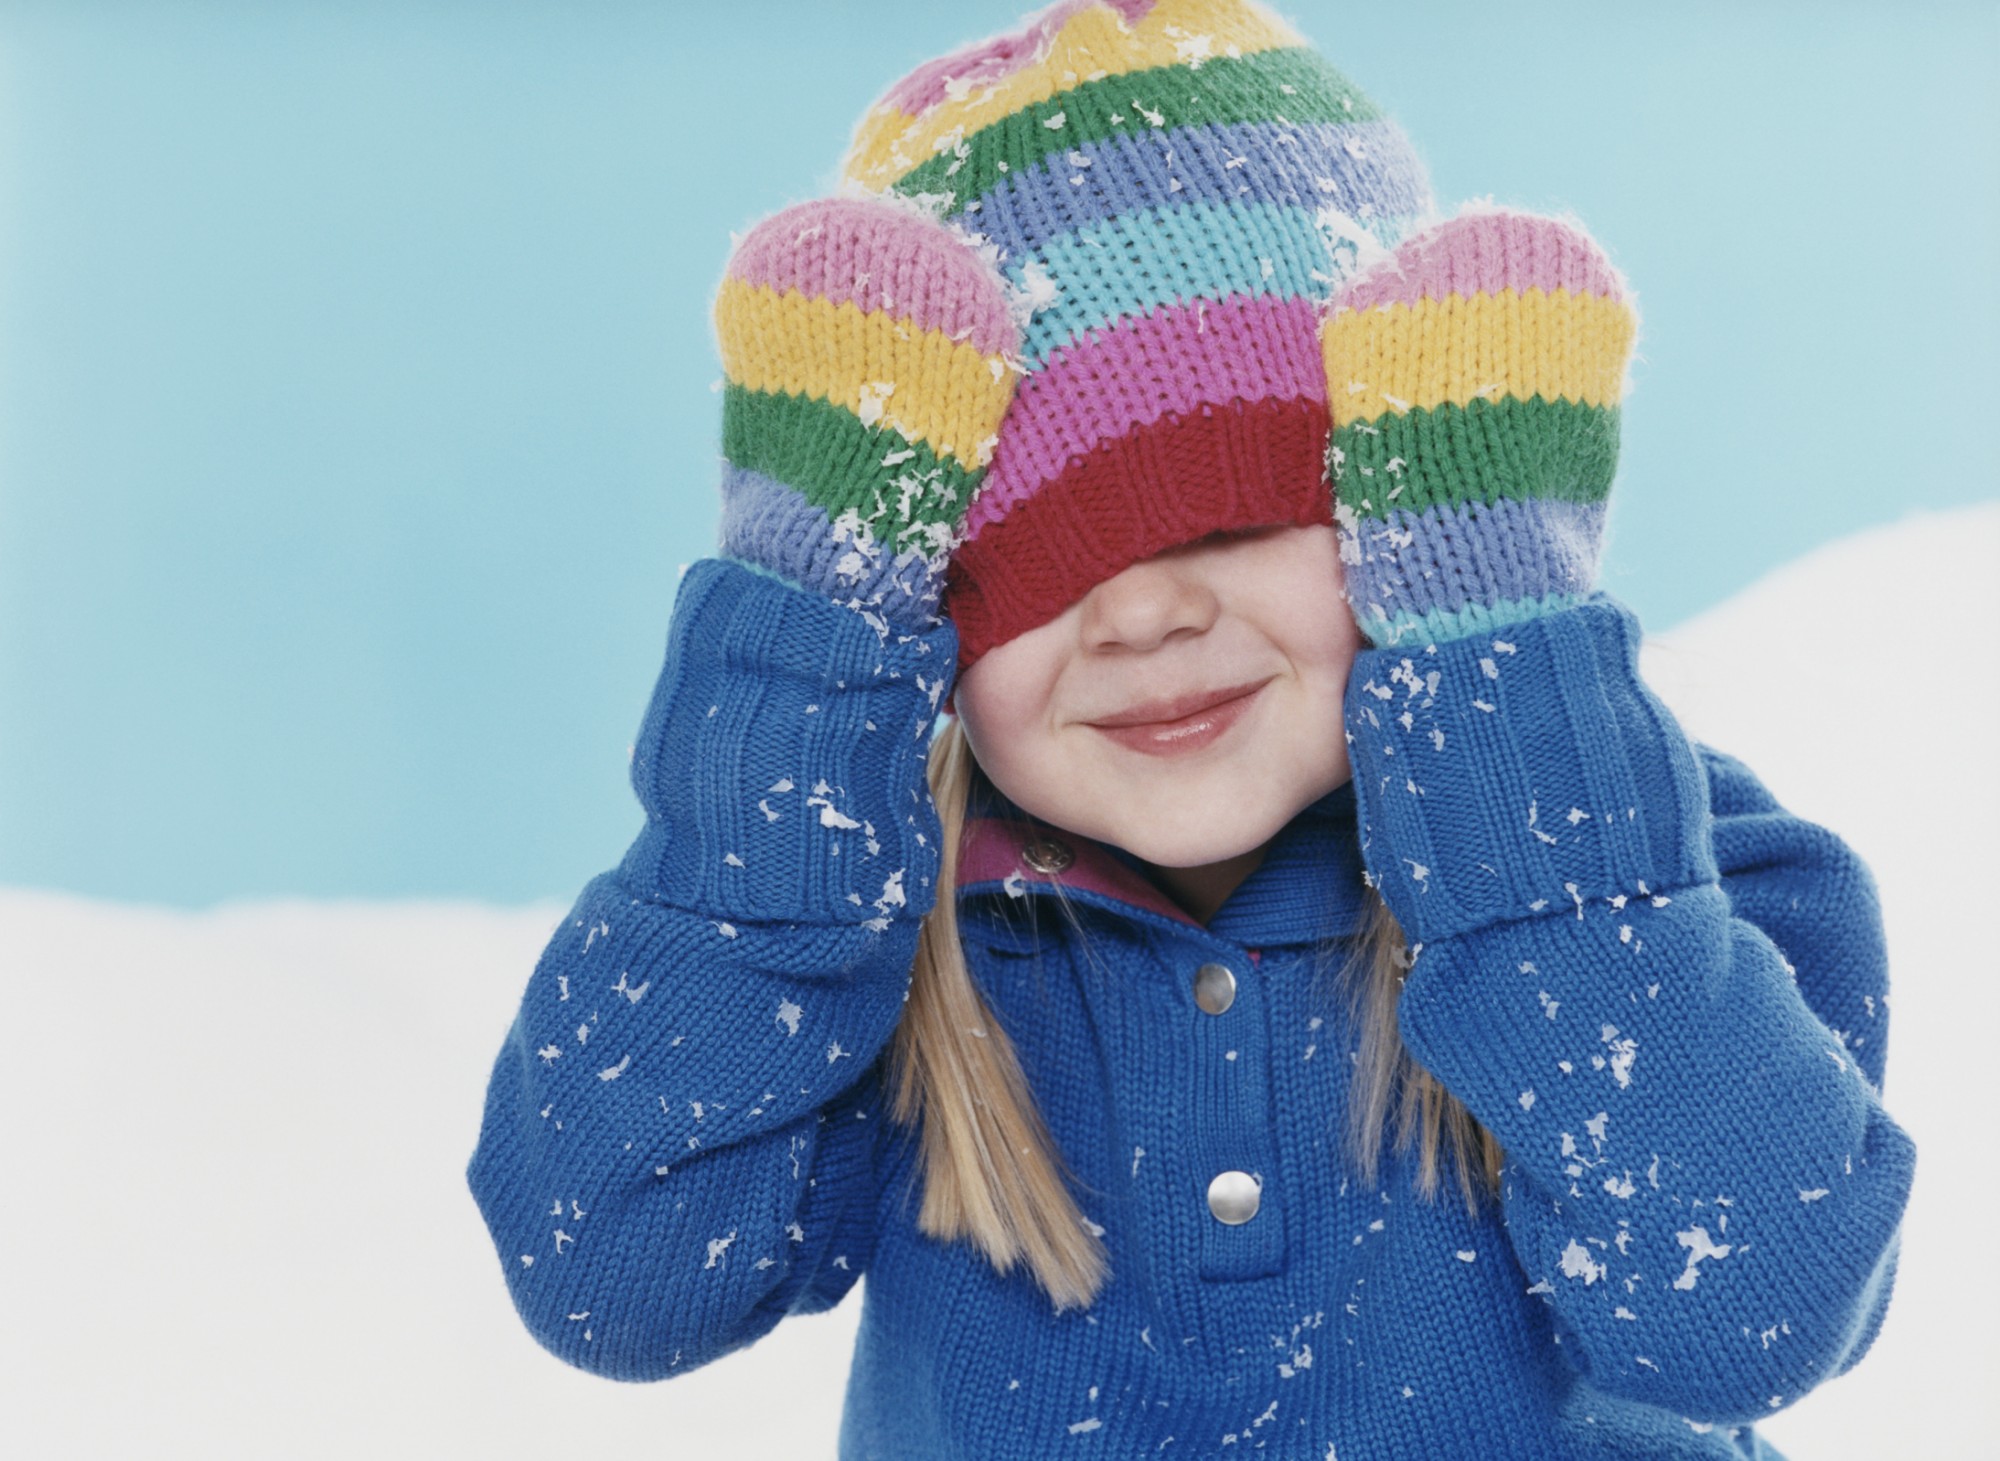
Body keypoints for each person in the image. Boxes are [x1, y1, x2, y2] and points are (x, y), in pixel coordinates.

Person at [466, 3, 1914, 1456]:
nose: (1145, 612)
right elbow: (610, 1276)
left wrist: (1497, 683)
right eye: (1033, 562)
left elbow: (1756, 1309)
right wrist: (802, 661)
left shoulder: (1662, 872)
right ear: (920, 607)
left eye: (1233, 517)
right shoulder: (880, 937)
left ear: (1409, 513)